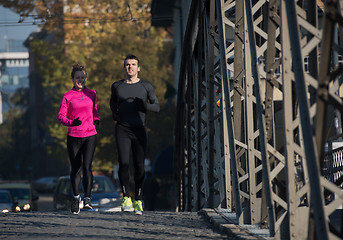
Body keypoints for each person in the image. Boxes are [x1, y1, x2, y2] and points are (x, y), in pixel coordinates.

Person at [110, 55, 160, 215]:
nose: (130, 67)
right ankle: (126, 198)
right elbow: (112, 101)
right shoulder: (117, 86)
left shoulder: (146, 86)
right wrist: (115, 112)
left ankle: (138, 199)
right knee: (123, 163)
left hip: (139, 130)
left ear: (139, 68)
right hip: (122, 129)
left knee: (139, 166)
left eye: (133, 65)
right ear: (124, 68)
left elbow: (157, 107)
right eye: (127, 65)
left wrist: (144, 105)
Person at [58, 63, 100, 214]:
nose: (80, 80)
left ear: (86, 78)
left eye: (82, 77)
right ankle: (76, 199)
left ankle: (87, 199)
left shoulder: (92, 93)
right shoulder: (68, 96)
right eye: (77, 77)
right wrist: (71, 122)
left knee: (88, 166)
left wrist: (97, 119)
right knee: (76, 168)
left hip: (90, 134)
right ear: (72, 79)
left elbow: (94, 109)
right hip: (74, 135)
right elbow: (61, 116)